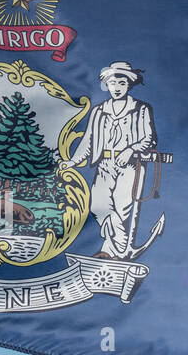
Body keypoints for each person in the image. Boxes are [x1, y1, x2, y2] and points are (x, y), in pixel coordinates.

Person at [58, 61, 157, 259]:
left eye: (121, 83)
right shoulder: (99, 111)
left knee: (121, 209)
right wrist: (73, 162)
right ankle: (117, 249)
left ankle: (111, 252)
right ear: (107, 85)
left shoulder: (141, 109)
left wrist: (131, 150)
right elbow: (88, 140)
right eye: (113, 83)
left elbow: (149, 138)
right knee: (98, 206)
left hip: (130, 166)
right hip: (104, 165)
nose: (117, 87)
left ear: (129, 84)